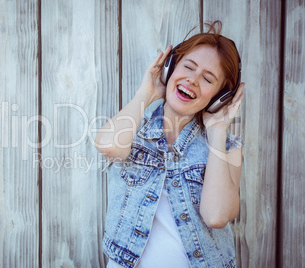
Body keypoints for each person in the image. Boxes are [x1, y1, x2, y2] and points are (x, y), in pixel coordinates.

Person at [94, 20, 245, 268]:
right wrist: (146, 93)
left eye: (208, 79)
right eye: (188, 66)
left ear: (220, 97)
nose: (193, 80)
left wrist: (217, 131)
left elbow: (216, 216)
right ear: (169, 68)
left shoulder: (227, 146)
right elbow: (108, 145)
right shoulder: (133, 126)